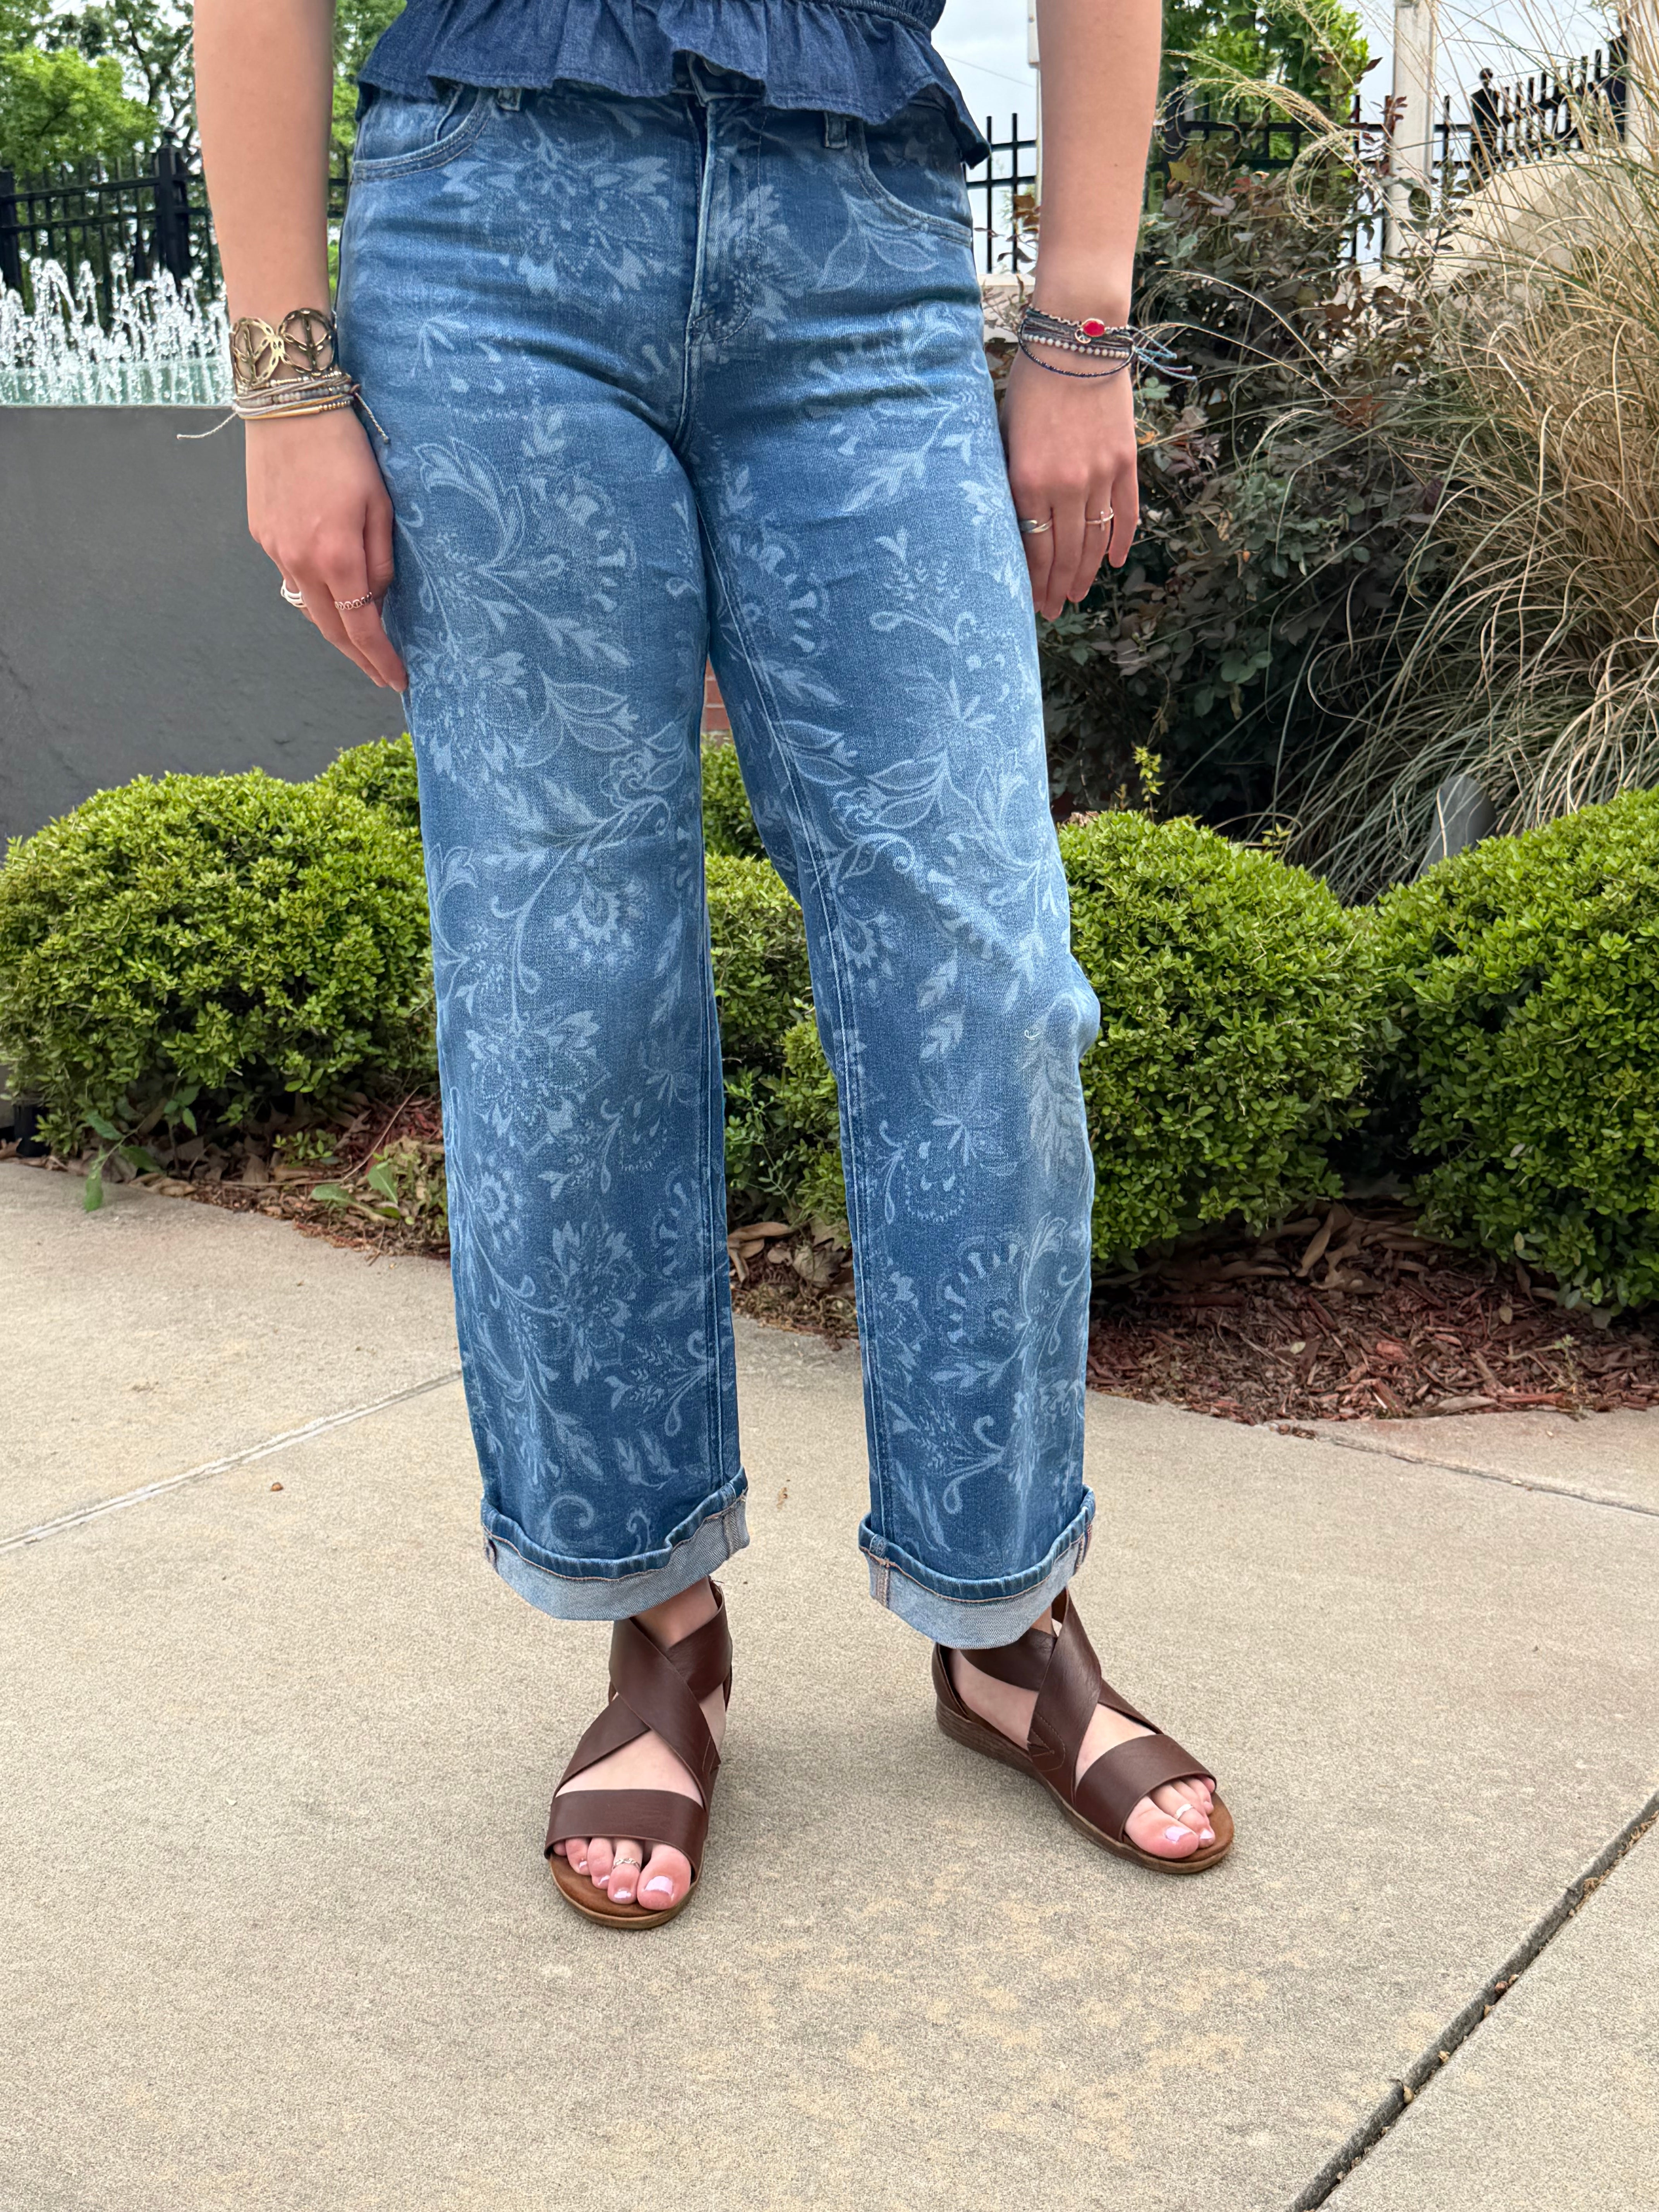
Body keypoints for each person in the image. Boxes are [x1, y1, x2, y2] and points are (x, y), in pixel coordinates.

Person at [194, 0, 1232, 1929]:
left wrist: (1084, 322)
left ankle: (1003, 1614)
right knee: (568, 986)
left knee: (984, 974)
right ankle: (655, 1618)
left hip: (862, 249)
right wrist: (287, 377)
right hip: (490, 244)